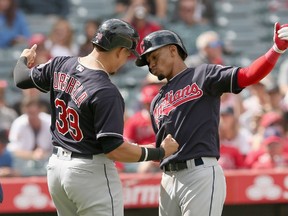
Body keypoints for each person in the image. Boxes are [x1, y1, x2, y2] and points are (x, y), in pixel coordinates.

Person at [13, 18, 179, 216]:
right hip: (89, 172)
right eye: (127, 52)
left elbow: (21, 78)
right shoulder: (106, 91)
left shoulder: (61, 63)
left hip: (57, 169)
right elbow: (114, 149)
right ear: (118, 50)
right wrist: (158, 152)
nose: (126, 58)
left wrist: (23, 58)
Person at [135, 22, 288, 216]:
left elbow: (248, 75)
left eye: (154, 56)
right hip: (168, 178)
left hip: (198, 173)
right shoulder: (156, 100)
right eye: (148, 61)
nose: (151, 64)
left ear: (173, 50)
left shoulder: (203, 74)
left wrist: (276, 49)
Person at [7, 97, 52, 176]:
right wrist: (32, 154)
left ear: (40, 110)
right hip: (23, 162)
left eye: (34, 111)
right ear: (24, 111)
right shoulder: (18, 123)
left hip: (48, 160)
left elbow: (57, 146)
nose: (32, 115)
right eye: (29, 112)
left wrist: (43, 154)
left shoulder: (49, 121)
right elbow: (12, 150)